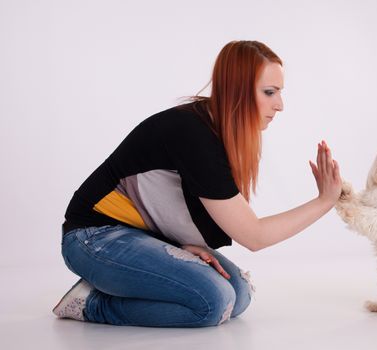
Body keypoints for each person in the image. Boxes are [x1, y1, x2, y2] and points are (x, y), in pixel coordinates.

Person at [53, 40, 342, 327]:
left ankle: (123, 282)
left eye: (279, 93)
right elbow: (254, 236)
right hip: (93, 238)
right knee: (212, 303)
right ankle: (92, 304)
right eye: (269, 92)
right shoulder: (193, 135)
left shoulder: (214, 129)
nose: (279, 105)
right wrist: (324, 201)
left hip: (140, 236)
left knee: (238, 294)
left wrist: (175, 245)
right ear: (237, 90)